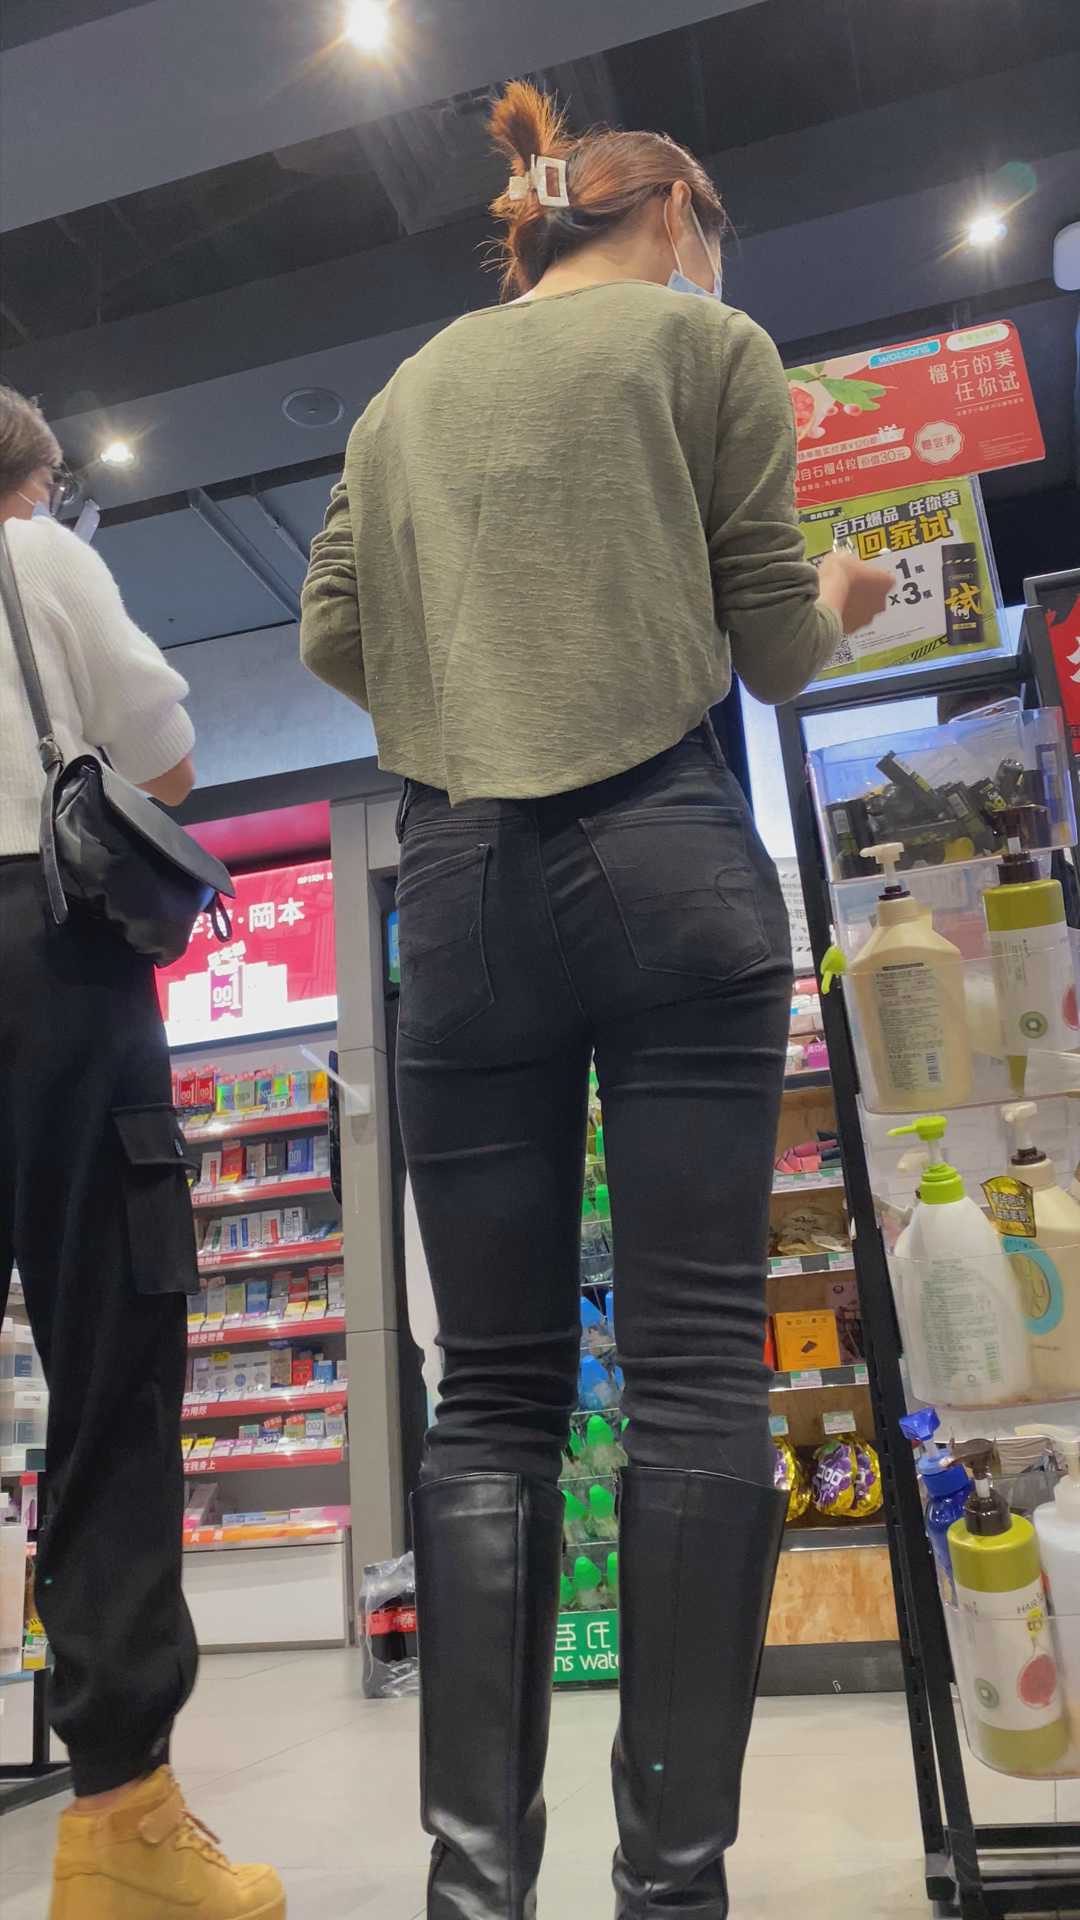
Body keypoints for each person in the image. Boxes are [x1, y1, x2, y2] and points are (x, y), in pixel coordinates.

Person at [301, 83, 890, 1920]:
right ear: (677, 217)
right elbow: (777, 645)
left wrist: (473, 690)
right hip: (671, 859)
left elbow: (330, 632)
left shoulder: (402, 395)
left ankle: (475, 1893)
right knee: (700, 1368)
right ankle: (674, 1890)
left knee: (488, 1398)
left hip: (460, 881)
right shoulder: (708, 345)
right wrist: (850, 594)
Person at [0, 385, 284, 1920]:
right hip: (46, 964)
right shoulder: (37, 559)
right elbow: (161, 765)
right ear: (33, 485)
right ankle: (120, 1828)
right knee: (111, 1380)